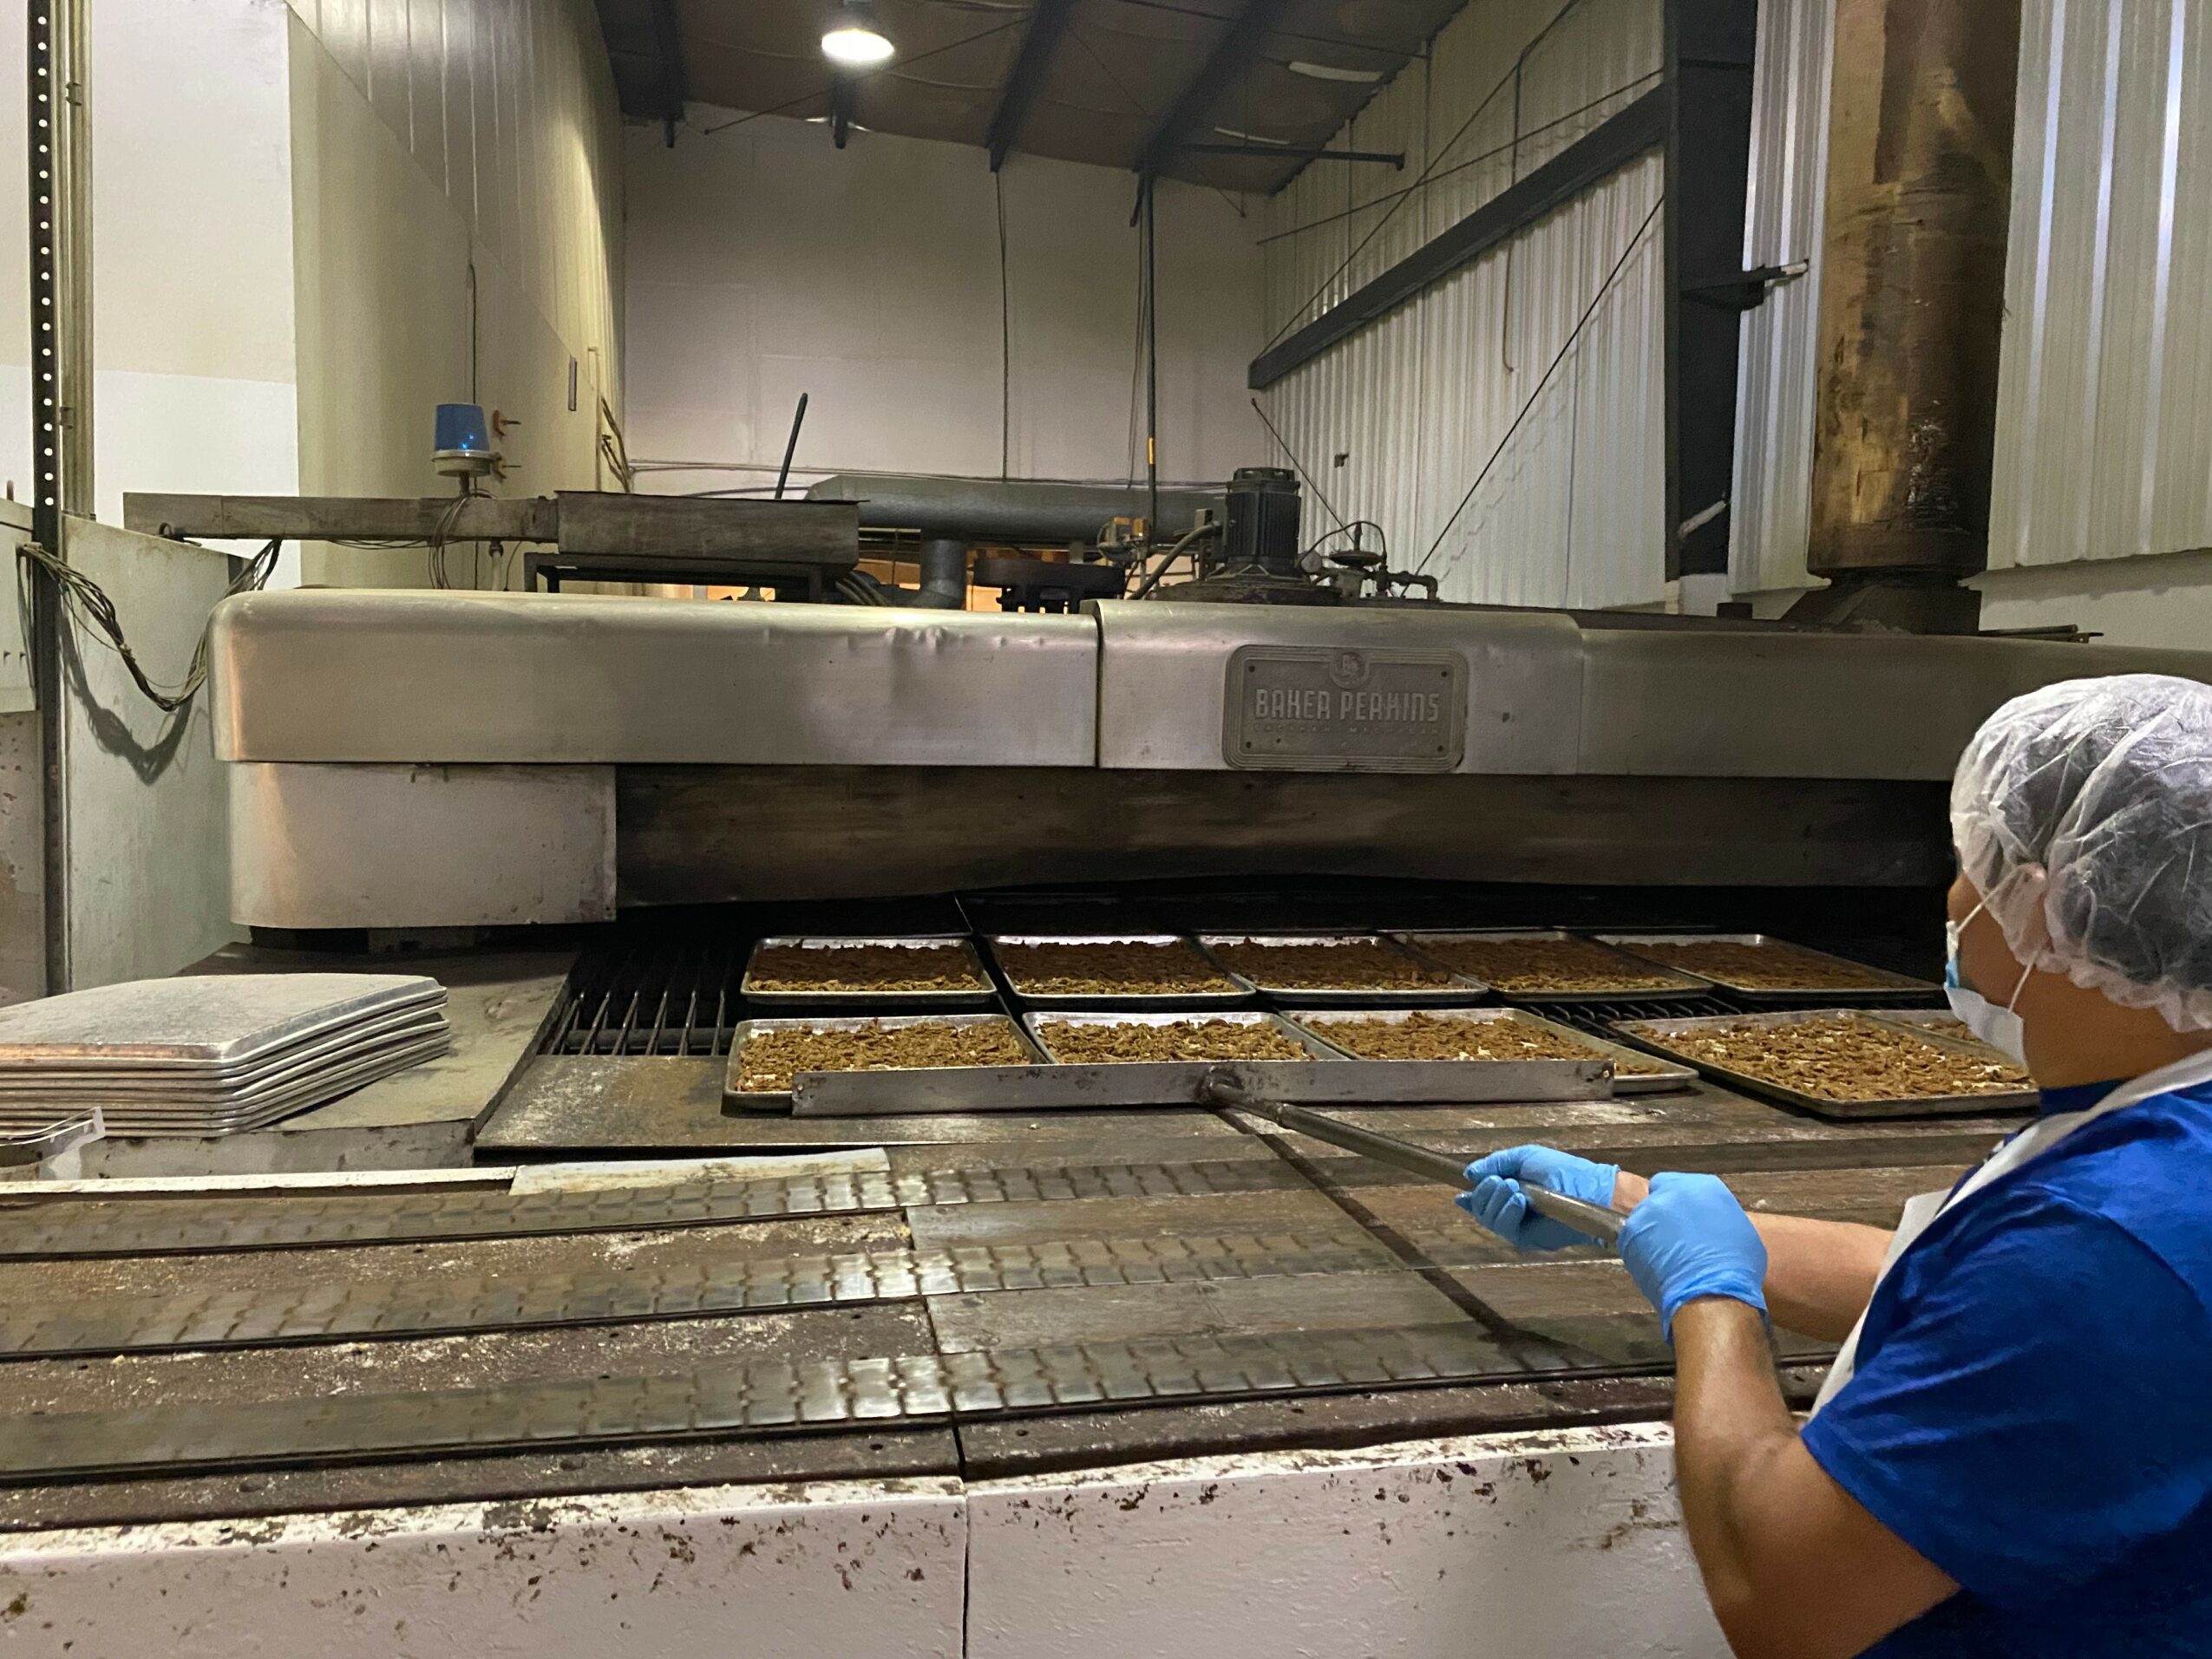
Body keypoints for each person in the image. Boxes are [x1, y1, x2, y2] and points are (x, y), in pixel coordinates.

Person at [1460, 674, 2212, 1658]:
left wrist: (1710, 1298)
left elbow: (1779, 1587)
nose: (1949, 898)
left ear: (2047, 903)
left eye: (1969, 861)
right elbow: (1971, 1291)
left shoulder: (2114, 1240)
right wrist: (1625, 1204)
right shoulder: (2161, 1125)